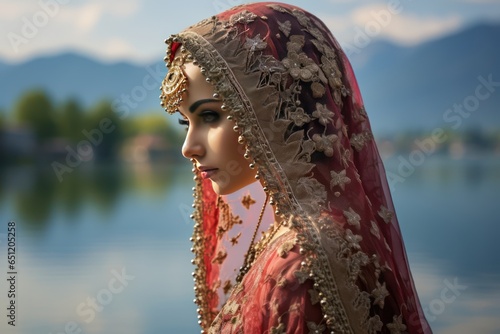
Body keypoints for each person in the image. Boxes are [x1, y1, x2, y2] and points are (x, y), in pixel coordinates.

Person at [160, 2, 432, 333]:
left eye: (210, 116)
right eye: (185, 122)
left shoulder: (301, 265)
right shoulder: (314, 234)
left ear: (274, 108)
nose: (189, 147)